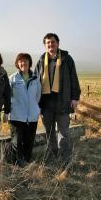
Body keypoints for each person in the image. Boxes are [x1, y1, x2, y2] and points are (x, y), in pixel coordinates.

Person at [34, 33, 81, 167]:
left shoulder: (67, 59)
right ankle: (53, 157)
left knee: (64, 132)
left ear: (58, 43)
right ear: (45, 45)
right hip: (46, 104)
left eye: (53, 42)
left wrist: (75, 97)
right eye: (48, 43)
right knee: (49, 133)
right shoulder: (42, 60)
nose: (50, 45)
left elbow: (73, 78)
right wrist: (34, 102)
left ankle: (66, 161)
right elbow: (36, 80)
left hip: (63, 102)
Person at [8, 53, 42, 168]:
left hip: (31, 116)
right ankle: (17, 166)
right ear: (17, 63)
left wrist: (34, 108)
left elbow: (38, 96)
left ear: (29, 63)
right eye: (21, 61)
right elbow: (7, 96)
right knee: (16, 142)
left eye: (26, 61)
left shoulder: (36, 79)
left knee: (29, 142)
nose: (23, 63)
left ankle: (27, 163)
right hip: (16, 116)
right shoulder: (13, 78)